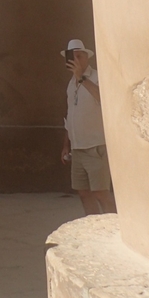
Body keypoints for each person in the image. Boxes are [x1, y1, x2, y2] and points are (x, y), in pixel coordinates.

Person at [60, 38, 116, 216]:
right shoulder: (71, 83)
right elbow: (70, 117)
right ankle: (93, 226)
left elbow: (104, 99)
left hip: (95, 147)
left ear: (87, 57)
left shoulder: (97, 77)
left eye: (79, 56)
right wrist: (66, 145)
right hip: (78, 148)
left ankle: (112, 227)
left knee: (100, 192)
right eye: (72, 57)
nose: (76, 60)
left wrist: (82, 78)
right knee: (84, 193)